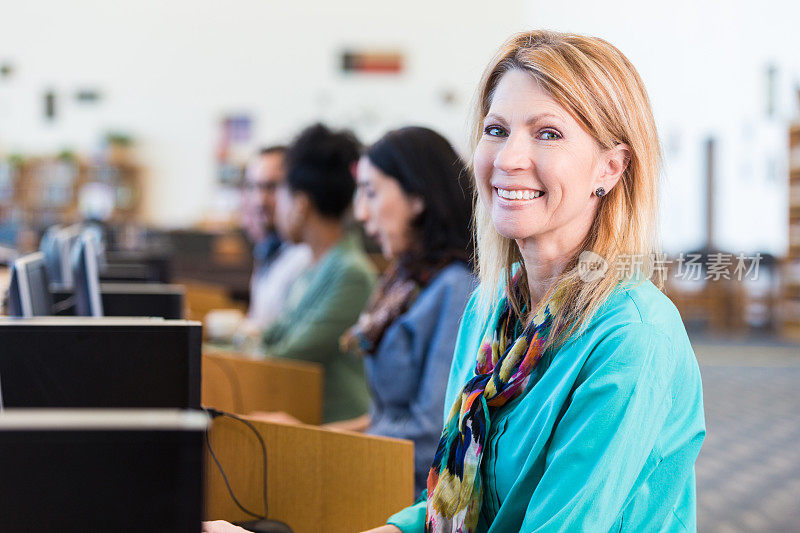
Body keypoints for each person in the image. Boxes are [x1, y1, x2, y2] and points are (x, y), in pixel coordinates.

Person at [365, 30, 705, 533]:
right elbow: (445, 507)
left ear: (611, 167)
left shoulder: (634, 335)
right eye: (496, 130)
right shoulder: (490, 308)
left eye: (547, 133)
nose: (507, 159)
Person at [332, 126, 477, 496]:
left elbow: (432, 434)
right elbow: (387, 417)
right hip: (380, 473)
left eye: (371, 192)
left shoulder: (455, 287)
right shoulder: (406, 278)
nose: (362, 214)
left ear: (417, 196)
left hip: (410, 493)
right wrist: (324, 434)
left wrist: (329, 444)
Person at [260, 123, 376, 423]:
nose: (275, 206)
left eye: (280, 193)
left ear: (300, 204)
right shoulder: (311, 267)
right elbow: (271, 336)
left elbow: (289, 355)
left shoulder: (350, 273)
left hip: (333, 435)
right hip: (300, 418)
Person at [240, 146, 311, 331]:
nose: (259, 200)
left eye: (271, 187)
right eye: (252, 187)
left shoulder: (305, 256)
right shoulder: (268, 249)